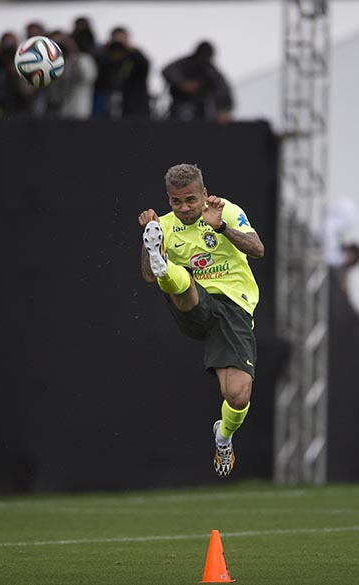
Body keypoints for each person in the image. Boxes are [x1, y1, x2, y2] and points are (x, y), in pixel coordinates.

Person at [138, 163, 264, 478]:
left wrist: (221, 227)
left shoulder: (226, 211)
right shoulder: (163, 225)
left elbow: (258, 249)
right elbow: (146, 277)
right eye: (176, 202)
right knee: (175, 280)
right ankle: (165, 264)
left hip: (234, 306)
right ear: (168, 200)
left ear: (204, 194)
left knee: (237, 394)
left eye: (191, 200)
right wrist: (147, 239)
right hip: (193, 302)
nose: (184, 208)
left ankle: (223, 437)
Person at [161, 40, 234, 123]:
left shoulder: (210, 70)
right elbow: (167, 70)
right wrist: (182, 83)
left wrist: (223, 109)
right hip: (180, 106)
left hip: (204, 110)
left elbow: (222, 89)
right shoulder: (186, 63)